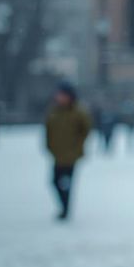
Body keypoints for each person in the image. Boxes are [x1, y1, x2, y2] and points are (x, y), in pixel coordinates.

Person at [44, 82, 92, 221]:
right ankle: (63, 208)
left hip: (71, 154)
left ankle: (65, 210)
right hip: (57, 153)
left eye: (62, 95)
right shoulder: (54, 111)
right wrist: (49, 146)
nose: (59, 97)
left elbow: (86, 130)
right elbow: (48, 130)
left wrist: (77, 146)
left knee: (66, 183)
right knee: (54, 181)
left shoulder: (78, 112)